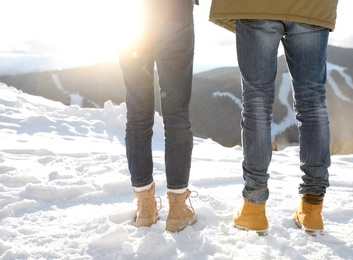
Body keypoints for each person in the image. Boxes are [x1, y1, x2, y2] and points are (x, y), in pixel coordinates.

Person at [209, 0, 339, 235]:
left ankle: (253, 209)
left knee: (257, 102)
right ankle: (312, 210)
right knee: (312, 103)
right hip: (313, 6)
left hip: (256, 6)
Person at [119, 0, 199, 232]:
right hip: (173, 9)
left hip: (132, 13)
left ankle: (145, 208)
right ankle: (177, 210)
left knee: (137, 116)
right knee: (177, 115)